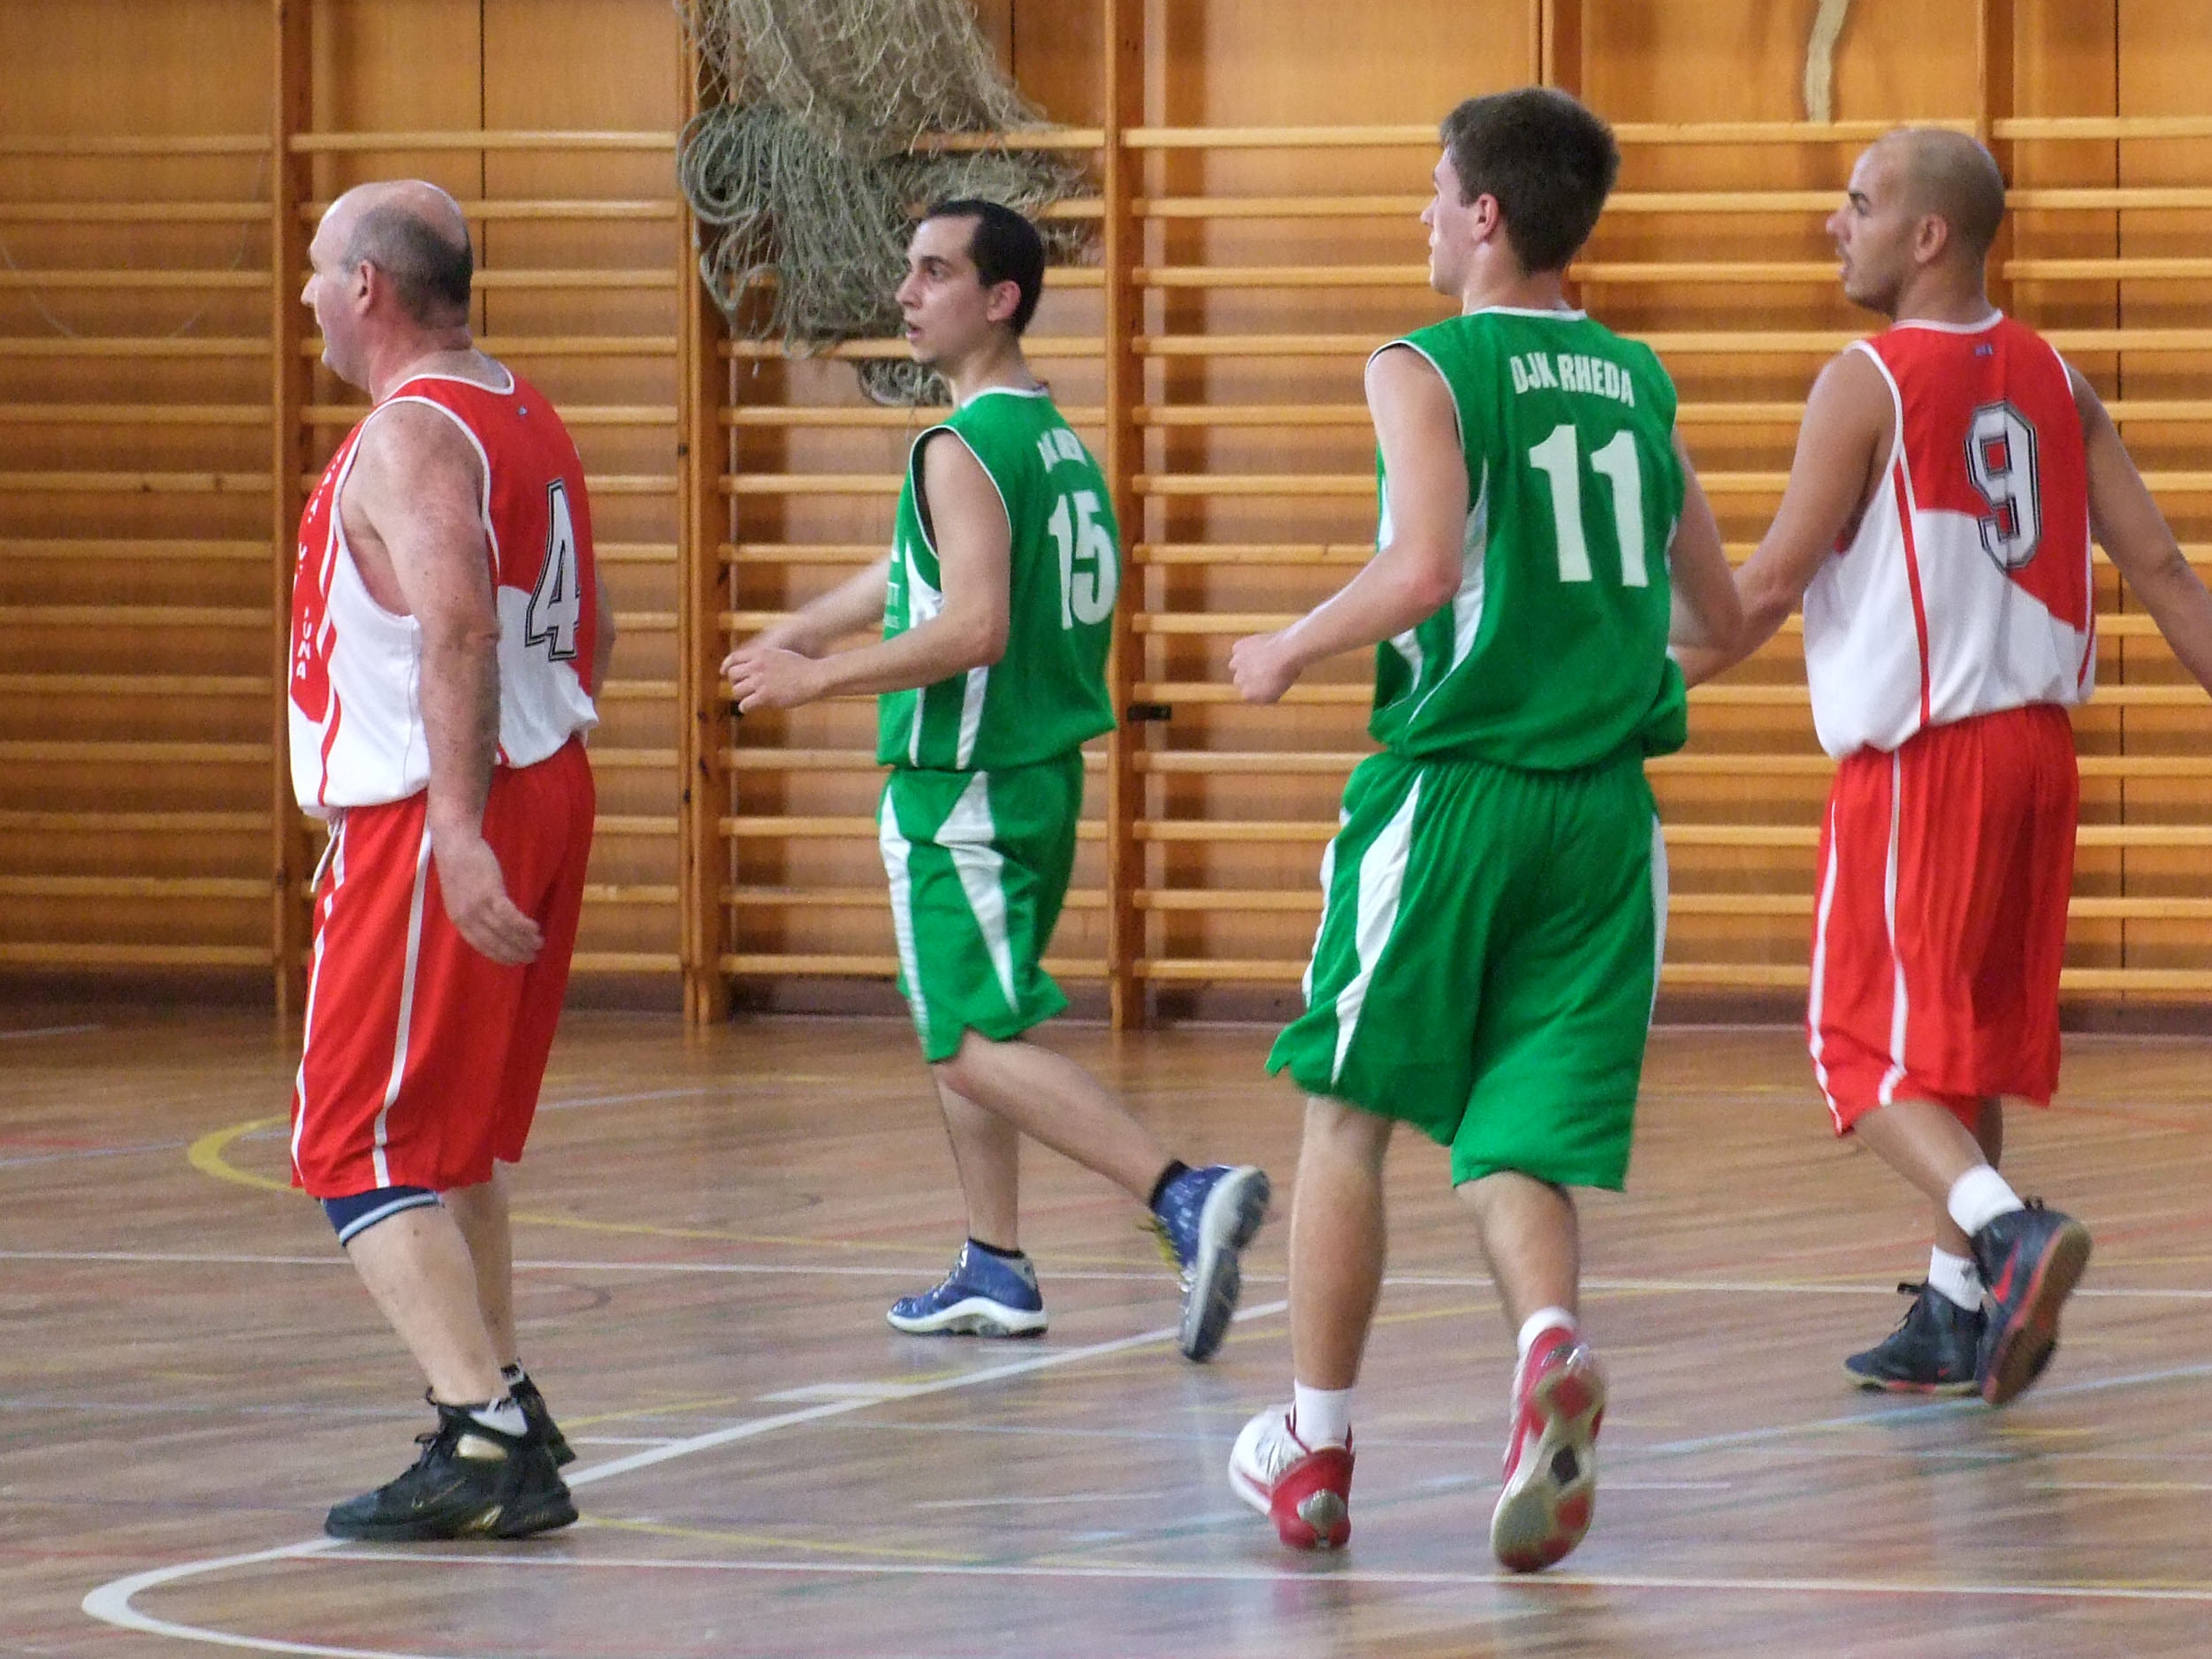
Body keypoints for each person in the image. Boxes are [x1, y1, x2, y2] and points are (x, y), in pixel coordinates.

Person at [1222, 90, 1743, 1570]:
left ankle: (1316, 1447)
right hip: (1604, 820)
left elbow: (1420, 567)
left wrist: (1288, 644)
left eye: (1434, 189)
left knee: (1346, 1113)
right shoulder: (1638, 380)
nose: (1422, 214)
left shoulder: (1425, 364)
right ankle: (1548, 1342)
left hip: (1451, 795)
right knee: (1516, 1130)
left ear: (1485, 215)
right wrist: (1597, 674)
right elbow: (1719, 618)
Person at [1675, 128, 2212, 1404]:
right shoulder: (2058, 378)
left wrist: (1615, 693)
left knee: (1854, 1047)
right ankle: (1958, 1306)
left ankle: (2004, 1230)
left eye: (1858, 204)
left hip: (1927, 759)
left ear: (1927, 236)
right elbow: (2161, 568)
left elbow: (1763, 589)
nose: (1834, 224)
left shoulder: (1865, 381)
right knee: (1960, 1044)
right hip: (2038, 758)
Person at [722, 200, 1270, 1360]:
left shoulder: (958, 446)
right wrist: (807, 626)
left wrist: (814, 680)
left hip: (963, 783)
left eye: (934, 272)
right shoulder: (1048, 439)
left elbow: (972, 624)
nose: (906, 293)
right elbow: (921, 563)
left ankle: (1181, 1191)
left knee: (968, 1039)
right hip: (1035, 776)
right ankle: (994, 1262)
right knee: (959, 1018)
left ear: (1001, 298)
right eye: (909, 270)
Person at [287, 179, 613, 1539]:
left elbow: (461, 629)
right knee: (454, 1136)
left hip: (435, 810)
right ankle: (505, 1396)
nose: (305, 291)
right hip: (533, 779)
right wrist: (529, 768)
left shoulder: (413, 433)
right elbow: (594, 624)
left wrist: (463, 828)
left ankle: (483, 1435)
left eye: (317, 267)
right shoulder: (517, 408)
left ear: (367, 286)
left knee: (351, 1144)